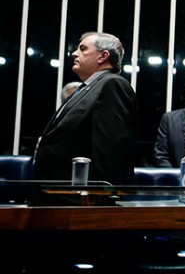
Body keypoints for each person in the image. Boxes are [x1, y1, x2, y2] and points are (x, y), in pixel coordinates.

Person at [34, 31, 138, 184]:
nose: (74, 54)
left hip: (78, 197)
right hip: (56, 191)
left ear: (103, 56)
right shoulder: (87, 88)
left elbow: (110, 151)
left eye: (82, 49)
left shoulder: (112, 84)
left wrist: (99, 195)